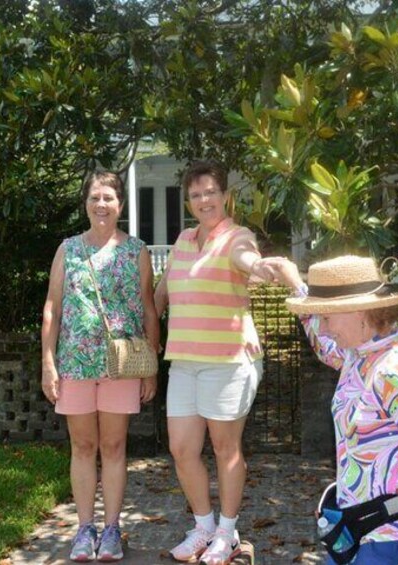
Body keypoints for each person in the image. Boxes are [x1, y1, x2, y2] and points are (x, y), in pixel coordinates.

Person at [272, 255, 398, 565]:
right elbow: (324, 347)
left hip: (391, 541)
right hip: (360, 533)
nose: (324, 328)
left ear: (358, 311)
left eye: (327, 317)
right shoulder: (358, 355)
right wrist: (295, 283)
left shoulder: (395, 372)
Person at [154, 160, 277, 565]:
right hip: (184, 362)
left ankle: (228, 533)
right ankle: (204, 527)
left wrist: (259, 267)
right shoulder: (183, 241)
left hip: (228, 362)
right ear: (188, 201)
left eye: (210, 192)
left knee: (226, 448)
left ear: (225, 195)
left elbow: (246, 258)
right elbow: (162, 292)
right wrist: (144, 323)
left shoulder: (238, 236)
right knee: (182, 448)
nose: (204, 200)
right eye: (195, 194)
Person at [41, 171, 161, 562]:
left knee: (113, 446)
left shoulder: (137, 251)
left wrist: (151, 367)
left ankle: (111, 529)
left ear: (120, 204)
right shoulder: (68, 250)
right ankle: (84, 528)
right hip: (75, 363)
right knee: (82, 446)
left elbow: (149, 308)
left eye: (108, 197)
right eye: (94, 197)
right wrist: (47, 362)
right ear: (86, 204)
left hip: (120, 366)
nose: (101, 204)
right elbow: (52, 308)